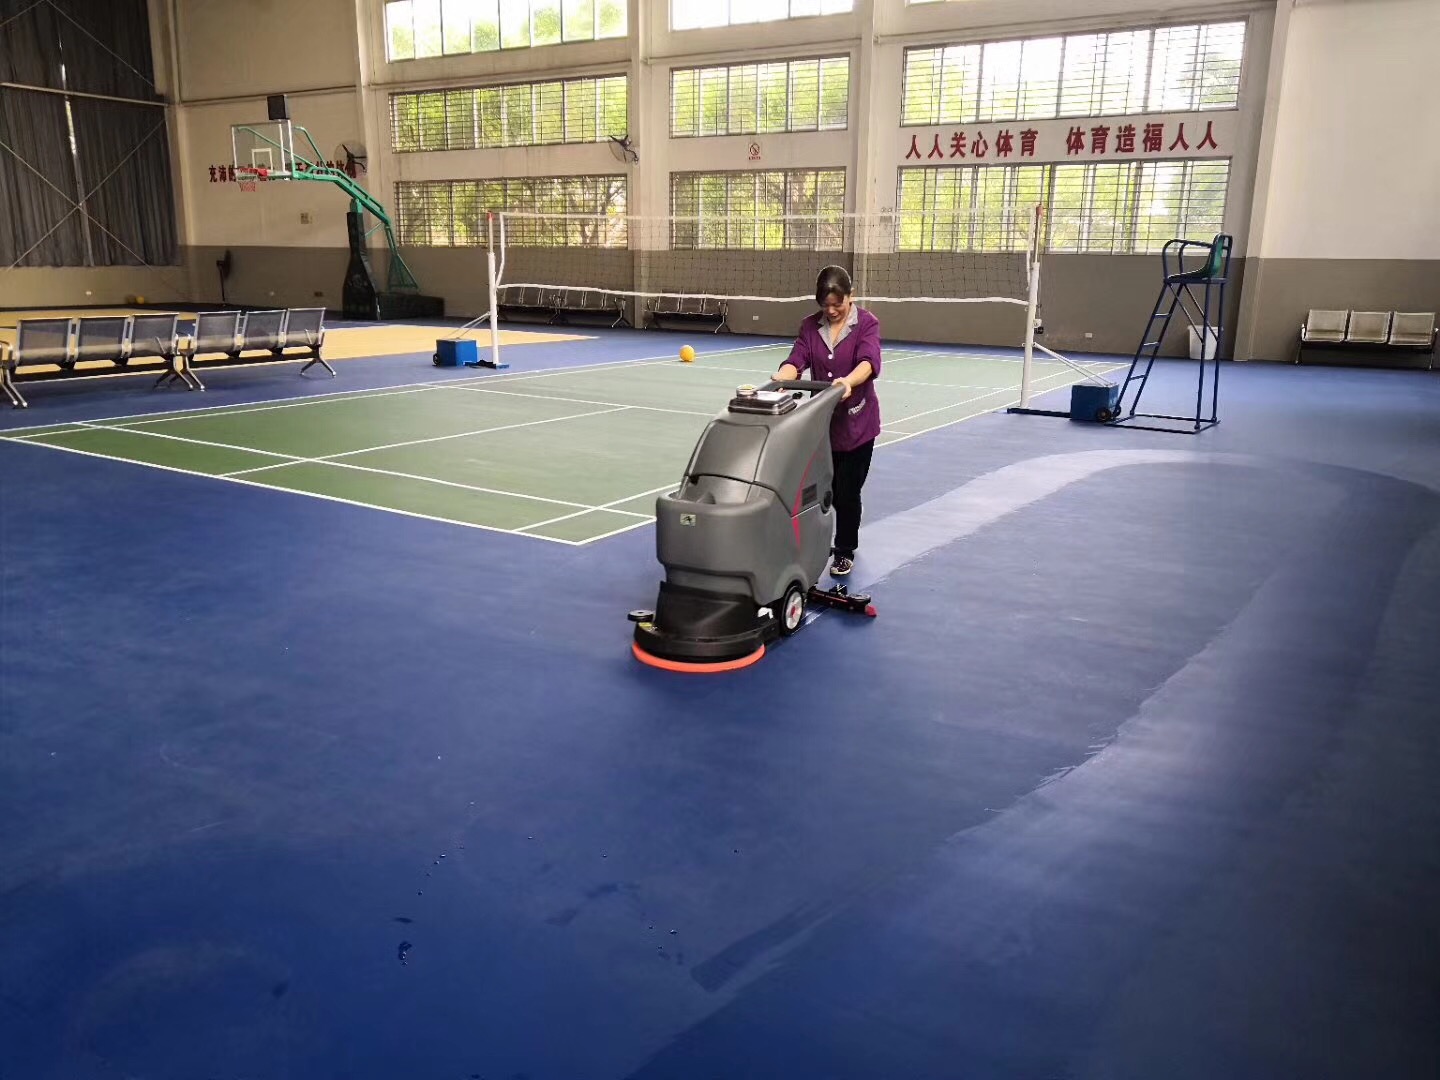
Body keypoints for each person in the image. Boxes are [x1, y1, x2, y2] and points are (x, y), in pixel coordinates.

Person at [773, 265, 881, 578]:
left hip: (858, 425)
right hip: (822, 425)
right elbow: (797, 359)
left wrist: (848, 381)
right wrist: (782, 378)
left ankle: (844, 549)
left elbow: (869, 362)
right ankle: (811, 543)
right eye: (825, 305)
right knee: (822, 490)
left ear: (851, 296)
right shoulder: (810, 326)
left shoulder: (867, 324)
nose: (831, 311)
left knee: (847, 493)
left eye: (838, 304)